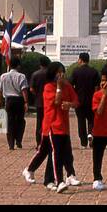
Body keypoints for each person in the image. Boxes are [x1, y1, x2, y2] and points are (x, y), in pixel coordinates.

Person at [24, 61, 78, 191]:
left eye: (62, 71)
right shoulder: (48, 87)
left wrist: (70, 104)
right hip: (52, 124)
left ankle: (35, 172)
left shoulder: (68, 86)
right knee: (56, 153)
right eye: (59, 72)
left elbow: (76, 101)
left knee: (46, 152)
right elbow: (56, 101)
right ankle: (58, 180)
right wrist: (59, 87)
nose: (61, 74)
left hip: (63, 125)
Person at [0, 55, 29, 150]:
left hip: (9, 100)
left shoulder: (3, 76)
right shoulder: (21, 76)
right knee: (20, 121)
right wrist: (26, 102)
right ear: (18, 66)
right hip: (19, 100)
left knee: (10, 122)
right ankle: (18, 140)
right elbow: (24, 90)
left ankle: (11, 143)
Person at [70, 53, 100, 149]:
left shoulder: (76, 71)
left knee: (81, 121)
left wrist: (74, 93)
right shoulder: (94, 72)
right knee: (91, 119)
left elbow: (70, 84)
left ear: (81, 60)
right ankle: (90, 134)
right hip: (91, 99)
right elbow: (97, 86)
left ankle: (83, 142)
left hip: (79, 99)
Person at [29, 57, 49, 147]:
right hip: (49, 102)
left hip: (39, 101)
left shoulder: (35, 74)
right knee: (49, 122)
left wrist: (37, 95)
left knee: (39, 122)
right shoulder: (51, 74)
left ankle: (39, 142)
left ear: (40, 64)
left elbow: (31, 89)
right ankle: (48, 141)